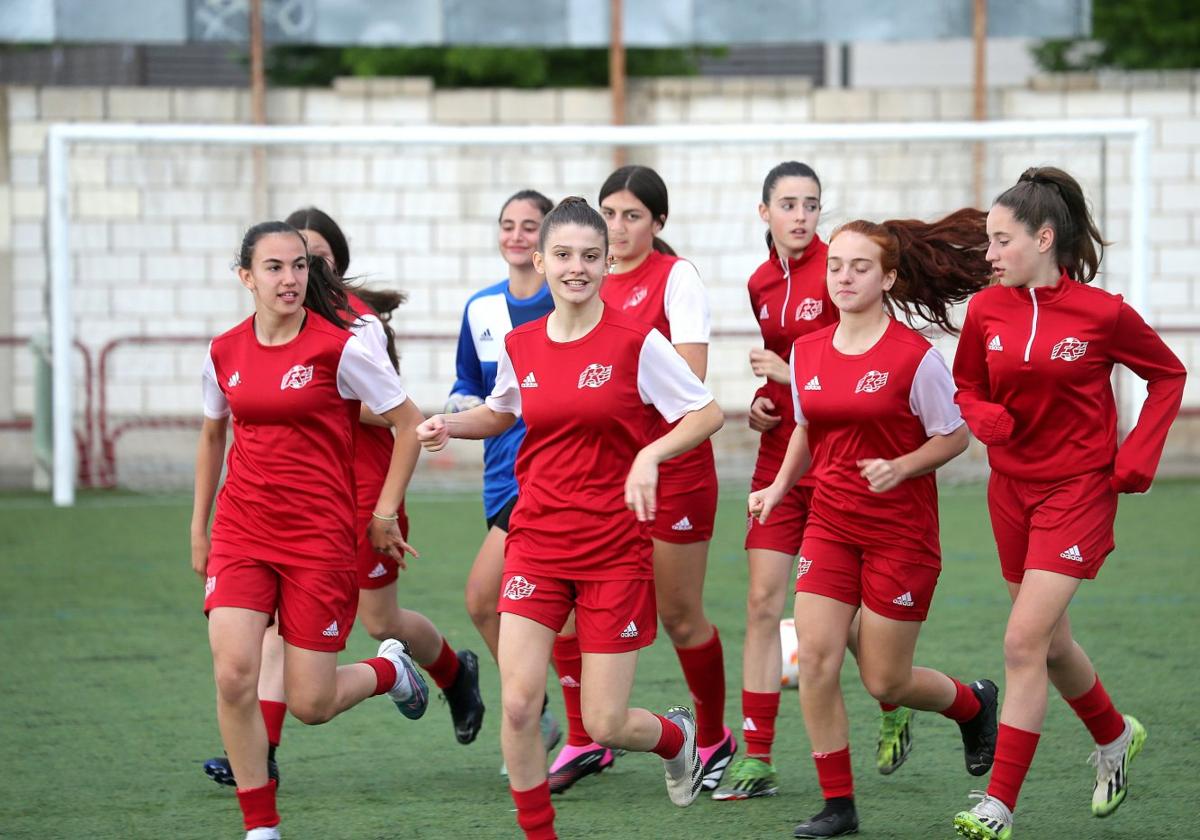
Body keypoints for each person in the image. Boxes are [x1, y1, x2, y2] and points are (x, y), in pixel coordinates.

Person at [417, 197, 724, 839]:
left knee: (609, 722)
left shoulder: (637, 343)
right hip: (537, 541)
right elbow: (503, 411)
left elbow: (705, 413)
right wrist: (452, 423)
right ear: (540, 259)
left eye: (590, 256)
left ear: (608, 262)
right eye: (563, 255)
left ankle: (675, 738)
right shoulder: (520, 343)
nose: (576, 267)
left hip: (614, 549)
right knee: (522, 702)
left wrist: (649, 454)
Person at [200, 209, 485, 790]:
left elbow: (392, 412)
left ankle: (447, 673)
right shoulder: (239, 343)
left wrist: (315, 398)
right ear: (249, 274)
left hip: (362, 491)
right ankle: (262, 756)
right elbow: (223, 421)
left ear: (332, 265)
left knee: (381, 619)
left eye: (309, 261)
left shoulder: (355, 331)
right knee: (263, 641)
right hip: (271, 512)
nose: (295, 275)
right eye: (280, 263)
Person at [748, 211, 1000, 838]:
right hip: (829, 523)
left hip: (901, 535)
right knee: (817, 659)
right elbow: (806, 429)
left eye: (860, 267)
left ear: (888, 278)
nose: (843, 276)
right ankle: (839, 805)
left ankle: (973, 703)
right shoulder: (805, 351)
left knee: (884, 678)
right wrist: (777, 488)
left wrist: (902, 466)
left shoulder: (915, 358)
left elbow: (955, 435)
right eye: (835, 265)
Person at [951, 167, 1186, 840]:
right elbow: (966, 384)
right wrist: (980, 413)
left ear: (1043, 238)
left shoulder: (1102, 313)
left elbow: (1168, 373)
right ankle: (1115, 736)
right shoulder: (986, 309)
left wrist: (1139, 452)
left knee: (1022, 641)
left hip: (1077, 492)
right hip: (1009, 494)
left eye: (1000, 240)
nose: (989, 254)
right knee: (1051, 645)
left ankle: (998, 806)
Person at [546, 164, 735, 795]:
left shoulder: (675, 278)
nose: (620, 228)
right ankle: (583, 736)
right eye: (611, 214)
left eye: (633, 215)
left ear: (658, 222)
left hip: (671, 468)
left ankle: (712, 736)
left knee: (680, 615)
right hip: (594, 479)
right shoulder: (578, 281)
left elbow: (688, 384)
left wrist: (639, 440)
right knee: (565, 604)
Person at [445, 190, 560, 757]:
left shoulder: (564, 302)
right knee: (510, 604)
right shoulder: (480, 307)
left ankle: (538, 714)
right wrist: (459, 405)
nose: (517, 235)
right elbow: (467, 381)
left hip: (543, 478)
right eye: (508, 225)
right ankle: (548, 712)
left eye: (529, 226)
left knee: (484, 598)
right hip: (498, 478)